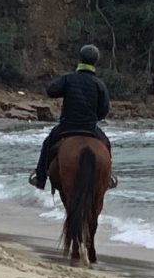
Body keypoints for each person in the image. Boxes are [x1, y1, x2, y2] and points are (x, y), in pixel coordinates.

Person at [30, 44, 114, 190]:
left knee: (47, 144)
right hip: (89, 127)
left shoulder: (69, 79)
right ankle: (108, 178)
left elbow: (51, 91)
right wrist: (94, 118)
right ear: (96, 61)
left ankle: (40, 178)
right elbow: (104, 110)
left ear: (80, 58)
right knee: (106, 144)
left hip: (67, 126)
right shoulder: (99, 84)